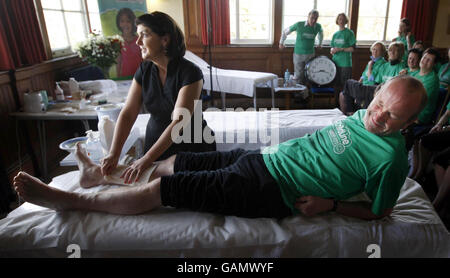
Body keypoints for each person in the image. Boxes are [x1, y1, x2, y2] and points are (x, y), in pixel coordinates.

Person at [13, 76, 427, 220]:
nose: (379, 118)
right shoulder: (358, 117)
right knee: (177, 161)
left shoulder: (390, 157)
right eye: (378, 105)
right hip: (263, 159)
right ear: (374, 96)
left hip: (274, 190)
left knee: (166, 191)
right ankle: (99, 176)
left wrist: (330, 207)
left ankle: (69, 201)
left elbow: (382, 212)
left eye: (393, 118)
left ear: (407, 125)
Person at [102, 12, 216, 184]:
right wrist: (114, 153)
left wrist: (146, 159)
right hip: (155, 146)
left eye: (145, 35)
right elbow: (128, 113)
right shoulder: (144, 70)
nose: (138, 42)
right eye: (138, 35)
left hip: (190, 148)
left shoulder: (190, 72)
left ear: (165, 40)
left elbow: (179, 122)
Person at [339, 42, 405, 115]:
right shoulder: (385, 66)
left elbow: (373, 81)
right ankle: (350, 112)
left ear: (400, 53)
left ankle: (349, 112)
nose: (392, 52)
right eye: (390, 50)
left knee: (348, 83)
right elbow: (376, 80)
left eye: (395, 51)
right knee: (348, 87)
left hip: (379, 91)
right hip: (375, 88)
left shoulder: (401, 68)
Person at [279, 9, 323, 85]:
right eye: (312, 18)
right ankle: (298, 94)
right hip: (298, 54)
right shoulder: (299, 25)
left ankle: (305, 93)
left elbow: (321, 34)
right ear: (308, 17)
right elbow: (285, 31)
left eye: (315, 19)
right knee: (299, 75)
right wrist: (281, 43)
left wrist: (320, 43)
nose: (313, 20)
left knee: (309, 74)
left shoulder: (318, 26)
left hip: (310, 54)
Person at [409, 48, 441, 126]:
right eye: (424, 58)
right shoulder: (415, 73)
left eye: (429, 60)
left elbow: (418, 100)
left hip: (419, 116)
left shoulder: (432, 79)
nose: (425, 61)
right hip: (409, 109)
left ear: (434, 64)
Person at [330, 13, 356, 106]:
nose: (341, 21)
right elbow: (332, 48)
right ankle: (336, 104)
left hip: (345, 63)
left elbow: (353, 48)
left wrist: (341, 49)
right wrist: (332, 50)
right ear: (337, 21)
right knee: (336, 85)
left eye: (343, 19)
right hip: (335, 63)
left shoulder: (349, 33)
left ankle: (345, 105)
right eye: (339, 19)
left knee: (345, 85)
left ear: (346, 21)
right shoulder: (335, 34)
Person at [116, 8, 142, 78]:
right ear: (119, 23)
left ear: (133, 23)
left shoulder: (139, 39)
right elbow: (118, 61)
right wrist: (118, 77)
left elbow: (145, 60)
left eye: (128, 21)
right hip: (125, 76)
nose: (125, 24)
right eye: (122, 21)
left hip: (140, 75)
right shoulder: (117, 41)